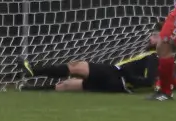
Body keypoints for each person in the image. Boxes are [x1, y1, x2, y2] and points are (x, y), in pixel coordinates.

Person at [21, 36, 159, 93]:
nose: (150, 37)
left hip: (116, 75)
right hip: (117, 84)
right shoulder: (149, 56)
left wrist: (127, 76)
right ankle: (30, 90)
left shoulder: (154, 57)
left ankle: (33, 71)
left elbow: (148, 81)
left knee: (76, 66)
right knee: (68, 85)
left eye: (155, 35)